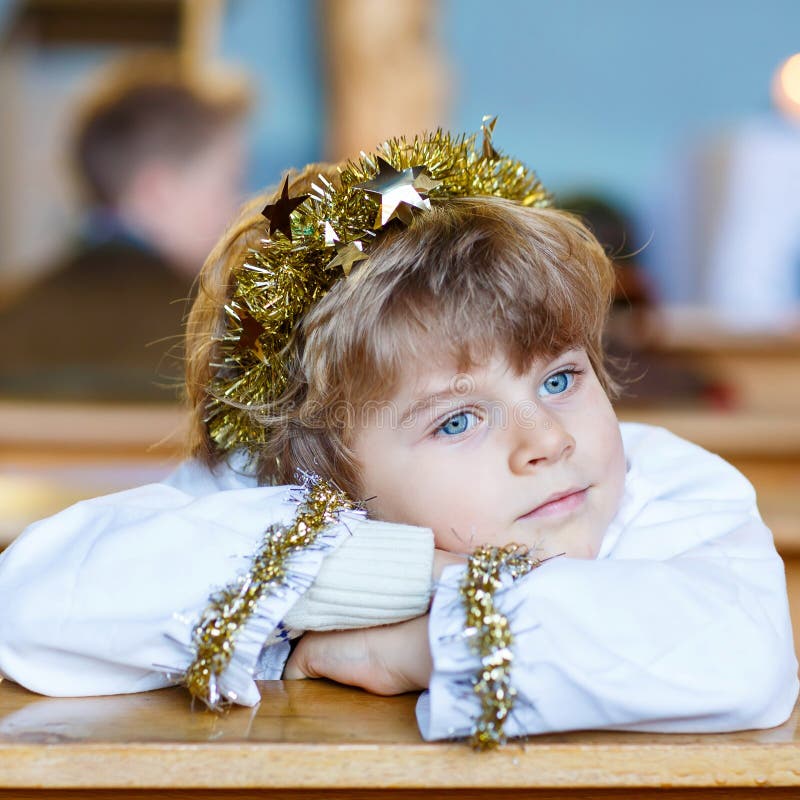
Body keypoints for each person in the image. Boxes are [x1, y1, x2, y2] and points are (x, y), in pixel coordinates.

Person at [0, 127, 796, 748]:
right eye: (458, 419)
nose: (547, 440)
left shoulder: (666, 483)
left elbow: (743, 658)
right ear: (324, 474)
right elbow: (33, 608)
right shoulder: (277, 497)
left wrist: (416, 648)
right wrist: (391, 570)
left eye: (559, 379)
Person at [0, 55, 249, 400]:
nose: (235, 210)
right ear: (156, 193)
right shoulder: (221, 342)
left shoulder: (10, 316)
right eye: (227, 185)